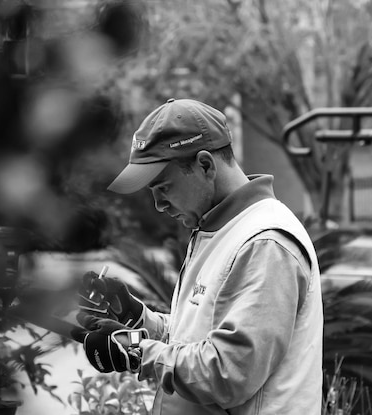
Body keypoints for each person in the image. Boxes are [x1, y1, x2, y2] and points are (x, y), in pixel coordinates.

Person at [74, 98, 323, 414]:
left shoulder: (265, 242)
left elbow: (228, 373)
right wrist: (138, 319)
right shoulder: (218, 230)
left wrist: (132, 350)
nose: (159, 206)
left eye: (163, 188)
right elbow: (195, 342)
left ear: (205, 165)